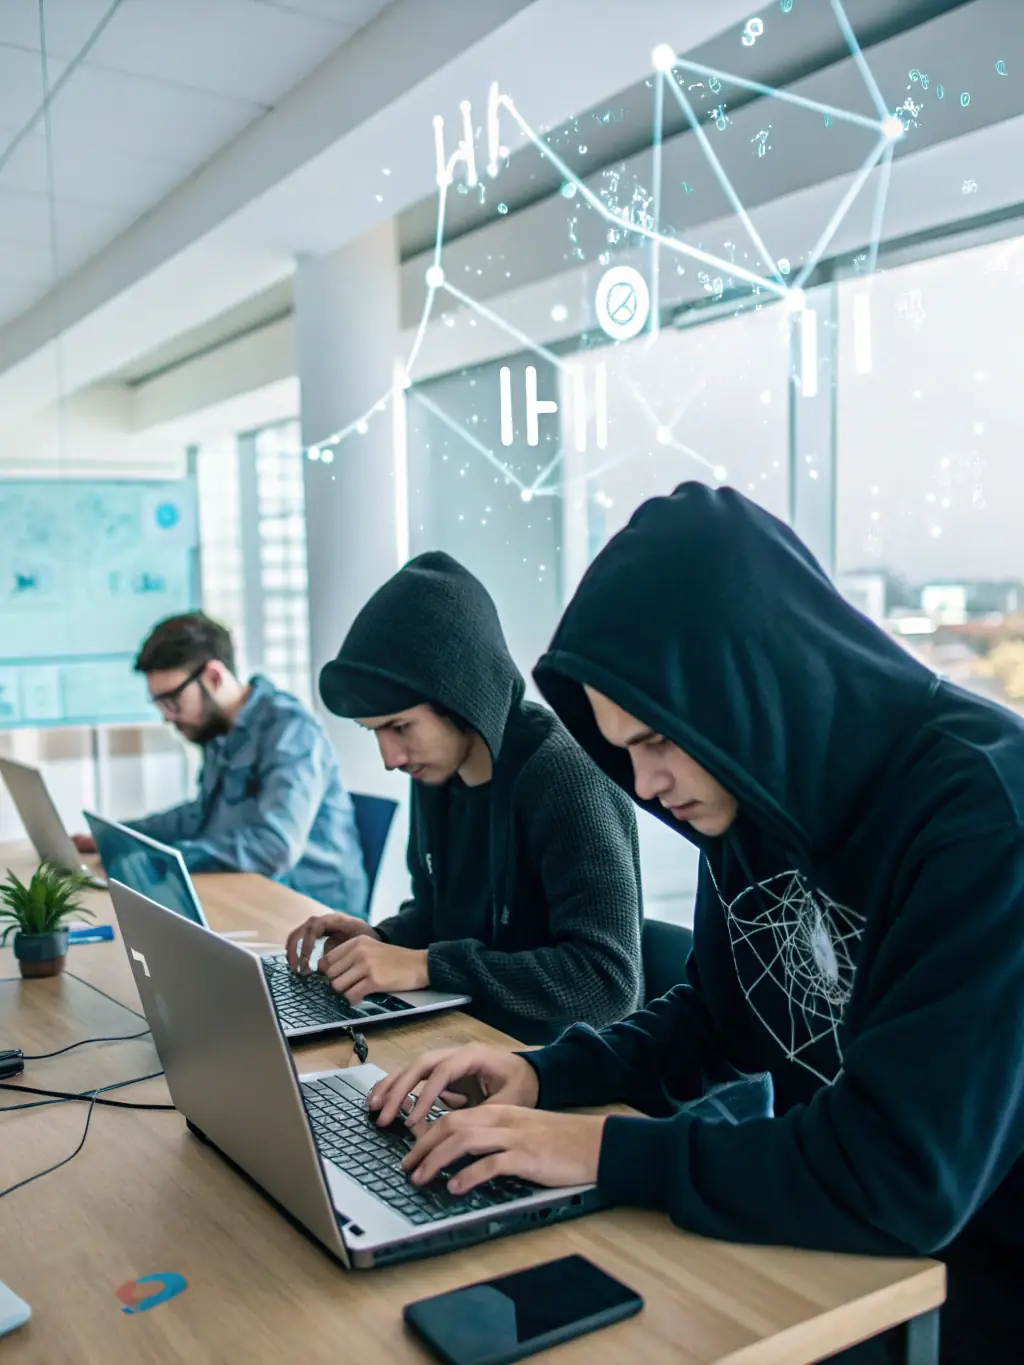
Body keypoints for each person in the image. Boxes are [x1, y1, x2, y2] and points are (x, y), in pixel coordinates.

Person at [366, 485, 1024, 1365]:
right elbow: (719, 1017)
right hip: (829, 1254)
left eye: (656, 741)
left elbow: (902, 1177)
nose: (643, 785)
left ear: (751, 687)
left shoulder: (985, 819)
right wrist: (543, 1075)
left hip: (968, 1287)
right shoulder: (755, 793)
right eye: (626, 748)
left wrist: (603, 1149)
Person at [284, 551, 643, 1045]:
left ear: (460, 700)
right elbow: (439, 916)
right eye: (374, 732)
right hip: (469, 1038)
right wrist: (383, 940)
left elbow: (606, 982)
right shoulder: (436, 771)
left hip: (556, 1059)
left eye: (400, 727)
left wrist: (426, 966)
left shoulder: (565, 777)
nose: (390, 758)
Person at [74, 612, 368, 916]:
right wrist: (121, 837)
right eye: (160, 703)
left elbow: (273, 847)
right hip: (249, 892)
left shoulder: (290, 730)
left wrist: (164, 860)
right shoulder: (217, 731)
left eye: (172, 699)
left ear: (214, 677)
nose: (167, 716)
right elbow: (200, 815)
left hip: (311, 909)